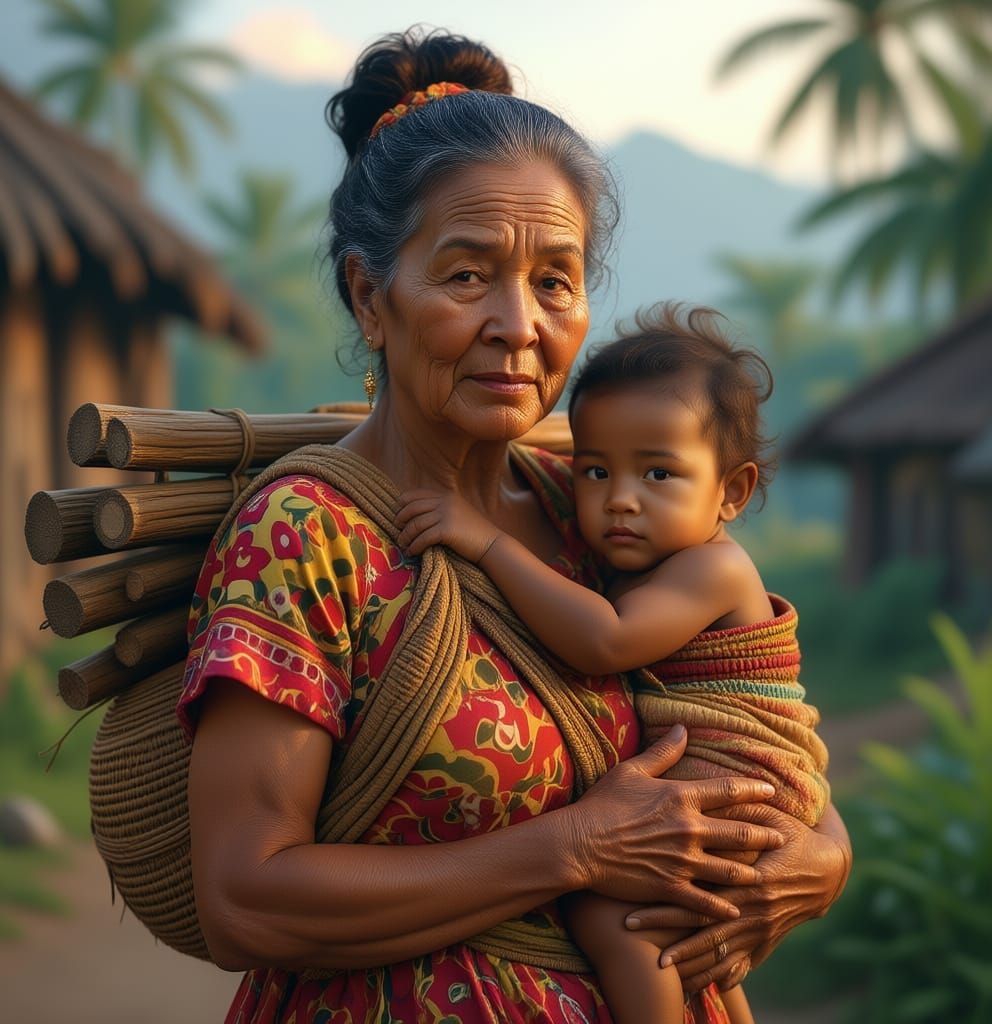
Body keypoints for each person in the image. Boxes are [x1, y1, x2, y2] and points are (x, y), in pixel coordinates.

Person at [179, 28, 851, 1024]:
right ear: (371, 298)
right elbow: (244, 895)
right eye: (465, 276)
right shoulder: (306, 535)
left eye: (554, 279)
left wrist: (821, 856)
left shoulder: (593, 504)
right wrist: (575, 847)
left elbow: (744, 709)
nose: (518, 323)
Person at [395, 304, 830, 1024]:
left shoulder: (712, 569)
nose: (620, 500)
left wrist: (488, 544)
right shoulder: (623, 548)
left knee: (614, 920)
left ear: (732, 492)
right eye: (595, 470)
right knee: (690, 940)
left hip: (746, 783)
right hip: (727, 778)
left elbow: (605, 642)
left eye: (659, 473)